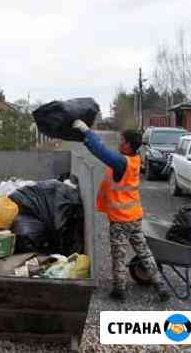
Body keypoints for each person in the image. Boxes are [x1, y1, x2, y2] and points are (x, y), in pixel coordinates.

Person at [72, 119, 170, 302]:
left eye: (122, 140)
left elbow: (101, 152)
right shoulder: (135, 159)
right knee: (144, 252)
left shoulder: (121, 162)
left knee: (119, 254)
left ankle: (119, 290)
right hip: (134, 217)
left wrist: (87, 132)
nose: (119, 143)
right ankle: (160, 285)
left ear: (128, 145)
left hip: (120, 220)